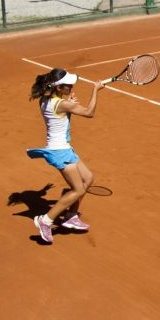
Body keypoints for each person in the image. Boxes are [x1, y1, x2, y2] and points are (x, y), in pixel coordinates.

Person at [27, 69, 105, 244]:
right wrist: (95, 90)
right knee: (78, 189)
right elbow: (89, 112)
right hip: (59, 151)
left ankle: (70, 216)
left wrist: (68, 104)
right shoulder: (62, 104)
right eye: (68, 85)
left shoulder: (46, 99)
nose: (71, 86)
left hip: (64, 148)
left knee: (88, 178)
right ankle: (45, 221)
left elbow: (60, 117)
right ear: (58, 87)